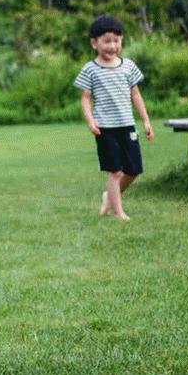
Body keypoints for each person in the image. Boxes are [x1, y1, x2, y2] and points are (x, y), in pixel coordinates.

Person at [73, 14, 153, 221]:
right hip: (105, 128)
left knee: (134, 170)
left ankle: (108, 197)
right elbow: (85, 99)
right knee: (114, 172)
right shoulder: (90, 69)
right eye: (107, 41)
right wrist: (90, 120)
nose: (112, 46)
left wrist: (145, 120)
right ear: (94, 43)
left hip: (127, 125)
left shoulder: (128, 66)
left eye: (116, 41)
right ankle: (118, 212)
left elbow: (136, 95)